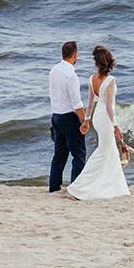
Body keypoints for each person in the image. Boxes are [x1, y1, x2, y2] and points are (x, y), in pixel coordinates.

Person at [67, 44, 130, 200]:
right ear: (108, 63)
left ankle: (117, 187)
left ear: (97, 62)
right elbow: (109, 106)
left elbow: (90, 103)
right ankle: (79, 186)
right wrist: (116, 125)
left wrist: (87, 121)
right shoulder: (110, 80)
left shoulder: (91, 79)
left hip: (97, 117)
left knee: (110, 151)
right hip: (106, 118)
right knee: (103, 151)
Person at [48, 40, 87, 193]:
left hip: (56, 116)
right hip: (69, 118)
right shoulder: (71, 75)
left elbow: (51, 94)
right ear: (75, 55)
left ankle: (54, 186)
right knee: (79, 155)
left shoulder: (54, 70)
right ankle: (76, 188)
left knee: (59, 154)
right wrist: (84, 121)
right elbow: (77, 102)